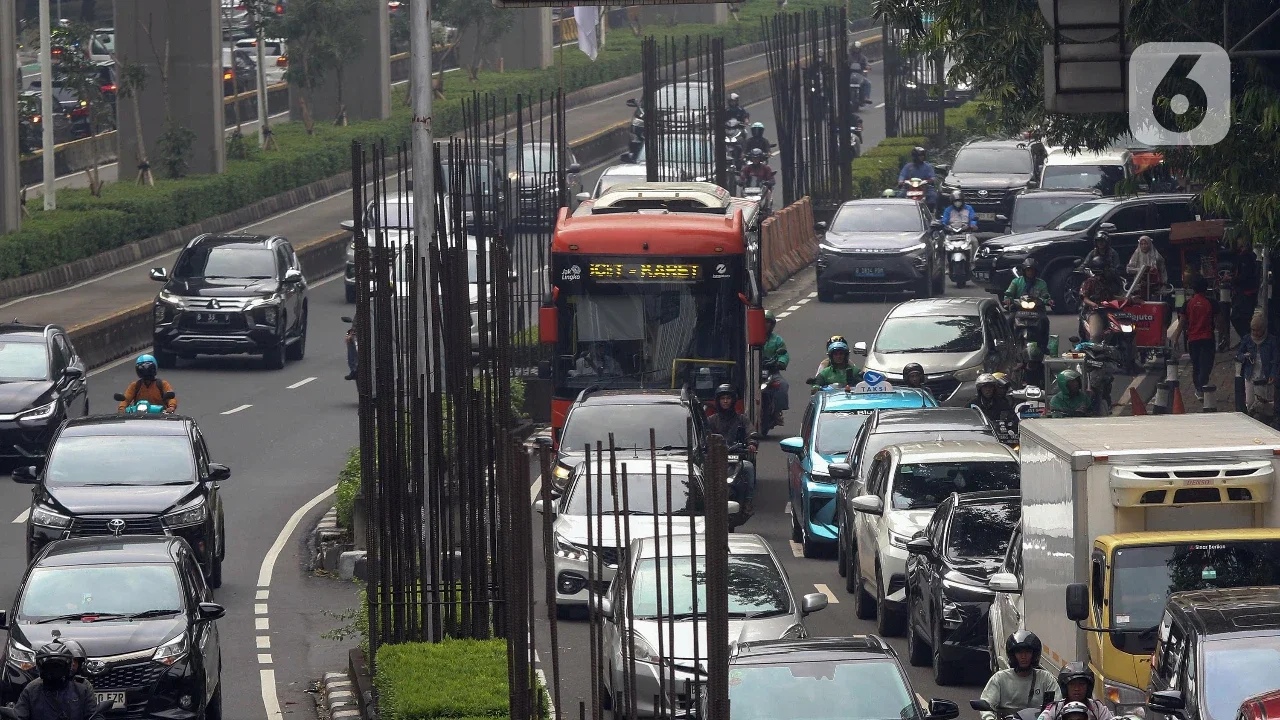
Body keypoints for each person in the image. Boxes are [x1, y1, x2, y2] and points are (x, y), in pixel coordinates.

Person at [11, 640, 105, 720]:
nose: (54, 671)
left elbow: (94, 715)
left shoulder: (82, 688)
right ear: (41, 668)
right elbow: (19, 715)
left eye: (58, 666)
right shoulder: (32, 690)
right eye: (50, 666)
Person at [977, 631, 1058, 720]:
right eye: (1019, 652)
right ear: (1013, 655)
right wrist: (989, 718)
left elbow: (1057, 704)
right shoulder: (1000, 678)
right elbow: (986, 703)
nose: (1023, 656)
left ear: (1034, 654)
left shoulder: (1046, 678)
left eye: (1027, 652)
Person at [706, 384, 758, 514]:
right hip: (716, 459)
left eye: (728, 398)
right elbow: (703, 437)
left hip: (737, 457)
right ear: (717, 401)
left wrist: (752, 443)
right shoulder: (711, 420)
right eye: (722, 398)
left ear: (733, 400)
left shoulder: (742, 419)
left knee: (749, 468)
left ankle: (748, 502)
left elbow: (751, 433)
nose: (725, 401)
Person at [1178, 274, 1217, 400]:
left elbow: (1182, 323)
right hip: (1208, 338)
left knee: (1196, 365)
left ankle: (1199, 388)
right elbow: (1220, 322)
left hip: (1193, 339)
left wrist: (1175, 338)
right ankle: (1202, 387)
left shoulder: (1188, 303)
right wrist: (1224, 336)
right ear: (1206, 289)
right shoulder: (1211, 303)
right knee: (1206, 365)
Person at [1037, 663, 1114, 720]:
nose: (1077, 688)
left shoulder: (1098, 708)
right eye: (1072, 684)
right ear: (1065, 687)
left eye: (1081, 684)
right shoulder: (1055, 708)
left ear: (1088, 686)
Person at [1005, 258, 1052, 350]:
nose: (1030, 272)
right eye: (1028, 270)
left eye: (1032, 270)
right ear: (1024, 271)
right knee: (1010, 320)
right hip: (1019, 309)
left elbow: (1046, 296)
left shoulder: (1041, 284)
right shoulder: (1016, 282)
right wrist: (1007, 299)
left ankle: (1043, 345)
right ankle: (1009, 343)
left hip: (1037, 309)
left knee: (1044, 321)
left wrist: (1048, 300)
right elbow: (1009, 293)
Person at [1236, 312, 1277, 413]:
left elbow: (1276, 359)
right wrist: (1245, 356)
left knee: (1267, 402)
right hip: (1250, 374)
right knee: (1250, 402)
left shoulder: (1272, 341)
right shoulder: (1247, 339)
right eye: (1253, 330)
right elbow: (1238, 355)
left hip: (1266, 375)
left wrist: (1273, 374)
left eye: (1258, 330)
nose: (1255, 333)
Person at [1079, 256, 1120, 343]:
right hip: (1094, 311)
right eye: (1106, 268)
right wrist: (1093, 304)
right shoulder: (1090, 282)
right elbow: (1084, 297)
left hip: (1110, 311)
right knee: (1096, 335)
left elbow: (1112, 297)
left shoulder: (1108, 282)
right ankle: (1093, 354)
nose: (1109, 270)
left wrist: (1129, 299)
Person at [762, 311, 791, 425]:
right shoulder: (749, 337)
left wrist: (781, 362)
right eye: (763, 322)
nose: (765, 324)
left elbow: (784, 354)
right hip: (752, 372)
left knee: (783, 385)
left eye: (768, 322)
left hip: (771, 372)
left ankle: (777, 412)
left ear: (772, 324)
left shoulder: (777, 340)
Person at [1230, 241, 1261, 346]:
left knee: (1238, 318)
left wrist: (1231, 279)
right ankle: (1247, 340)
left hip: (1245, 293)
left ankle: (1247, 340)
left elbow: (1244, 276)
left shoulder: (1246, 257)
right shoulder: (1249, 256)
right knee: (1244, 318)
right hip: (1248, 292)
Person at [1126, 235, 1167, 299]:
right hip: (1139, 287)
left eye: (1145, 244)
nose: (1143, 246)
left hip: (1154, 287)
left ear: (1149, 244)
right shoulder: (1136, 255)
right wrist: (1140, 270)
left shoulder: (1157, 257)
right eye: (1141, 244)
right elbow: (1129, 269)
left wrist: (1164, 284)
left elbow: (1163, 271)